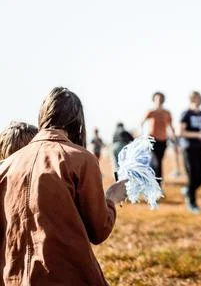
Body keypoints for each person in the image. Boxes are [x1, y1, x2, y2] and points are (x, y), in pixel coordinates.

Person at [0, 87, 126, 284]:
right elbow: (99, 230)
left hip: (15, 278)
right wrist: (111, 198)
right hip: (66, 276)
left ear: (42, 116)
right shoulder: (81, 159)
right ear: (77, 120)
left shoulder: (7, 165)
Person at [141, 92, 178, 182]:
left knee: (159, 161)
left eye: (161, 99)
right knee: (155, 161)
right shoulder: (151, 112)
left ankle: (158, 182)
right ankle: (154, 181)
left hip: (163, 140)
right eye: (157, 99)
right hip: (152, 140)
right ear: (154, 100)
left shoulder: (167, 113)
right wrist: (142, 136)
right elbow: (142, 122)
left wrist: (174, 137)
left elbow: (170, 126)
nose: (159, 101)